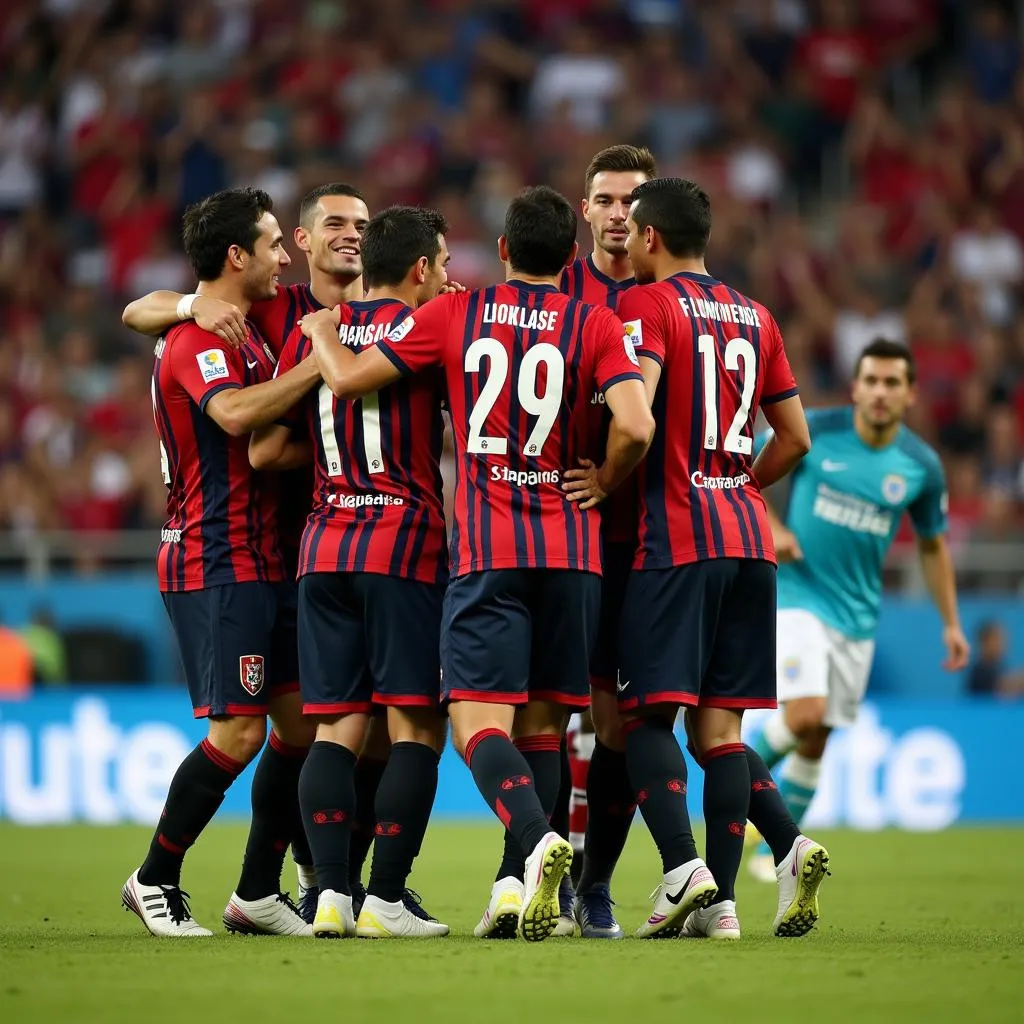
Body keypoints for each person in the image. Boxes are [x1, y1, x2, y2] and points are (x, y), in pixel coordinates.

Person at [300, 185, 655, 942]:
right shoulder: (594, 320)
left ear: (499, 250)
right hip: (572, 551)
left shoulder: (457, 313)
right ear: (570, 258)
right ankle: (514, 888)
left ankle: (533, 840)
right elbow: (635, 423)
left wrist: (323, 334)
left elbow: (353, 378)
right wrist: (607, 478)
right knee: (546, 729)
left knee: (472, 724)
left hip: (487, 552)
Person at [123, 182, 370, 921]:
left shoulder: (252, 327)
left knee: (298, 727)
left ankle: (258, 890)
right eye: (271, 244)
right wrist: (321, 363)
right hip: (216, 554)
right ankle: (154, 878)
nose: (275, 260)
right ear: (252, 253)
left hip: (271, 558)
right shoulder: (217, 330)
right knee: (238, 729)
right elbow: (230, 414)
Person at [604, 176, 820, 940]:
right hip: (747, 537)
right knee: (722, 732)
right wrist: (737, 483)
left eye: (631, 231)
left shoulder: (644, 304)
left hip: (678, 536)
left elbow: (637, 418)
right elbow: (795, 437)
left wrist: (603, 479)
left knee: (647, 717)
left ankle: (681, 873)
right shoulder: (755, 315)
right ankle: (723, 906)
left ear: (652, 238)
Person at [253, 206, 452, 939]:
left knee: (335, 729)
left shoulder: (315, 332)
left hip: (324, 546)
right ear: (421, 268)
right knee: (414, 731)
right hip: (403, 545)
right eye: (443, 263)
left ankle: (329, 895)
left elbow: (267, 452)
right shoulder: (431, 328)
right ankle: (387, 900)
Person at [750, 337, 971, 881]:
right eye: (870, 380)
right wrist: (774, 529)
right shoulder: (816, 431)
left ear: (910, 394)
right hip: (799, 596)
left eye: (892, 382)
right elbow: (743, 476)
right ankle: (734, 776)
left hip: (858, 616)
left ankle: (774, 857)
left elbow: (932, 545)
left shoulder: (920, 467)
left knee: (820, 733)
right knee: (803, 714)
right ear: (855, 387)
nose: (879, 392)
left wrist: (950, 624)